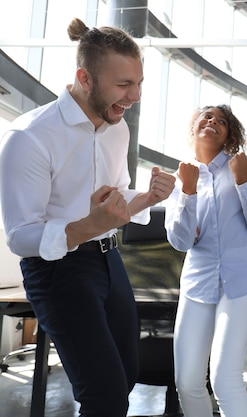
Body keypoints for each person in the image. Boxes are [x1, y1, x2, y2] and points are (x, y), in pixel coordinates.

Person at [0, 18, 176, 417]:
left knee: (127, 376)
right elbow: (20, 236)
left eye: (139, 83)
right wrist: (86, 228)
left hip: (109, 261)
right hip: (57, 272)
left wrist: (146, 196)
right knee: (104, 393)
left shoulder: (117, 130)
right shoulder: (30, 136)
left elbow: (112, 205)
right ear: (85, 77)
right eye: (123, 85)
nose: (134, 96)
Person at [164, 105, 247, 417]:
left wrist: (242, 181)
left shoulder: (246, 165)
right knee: (186, 381)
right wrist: (187, 190)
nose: (213, 122)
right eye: (206, 116)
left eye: (222, 121)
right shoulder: (181, 177)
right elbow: (181, 241)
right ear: (194, 126)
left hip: (241, 280)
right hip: (198, 282)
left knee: (224, 379)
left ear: (229, 133)